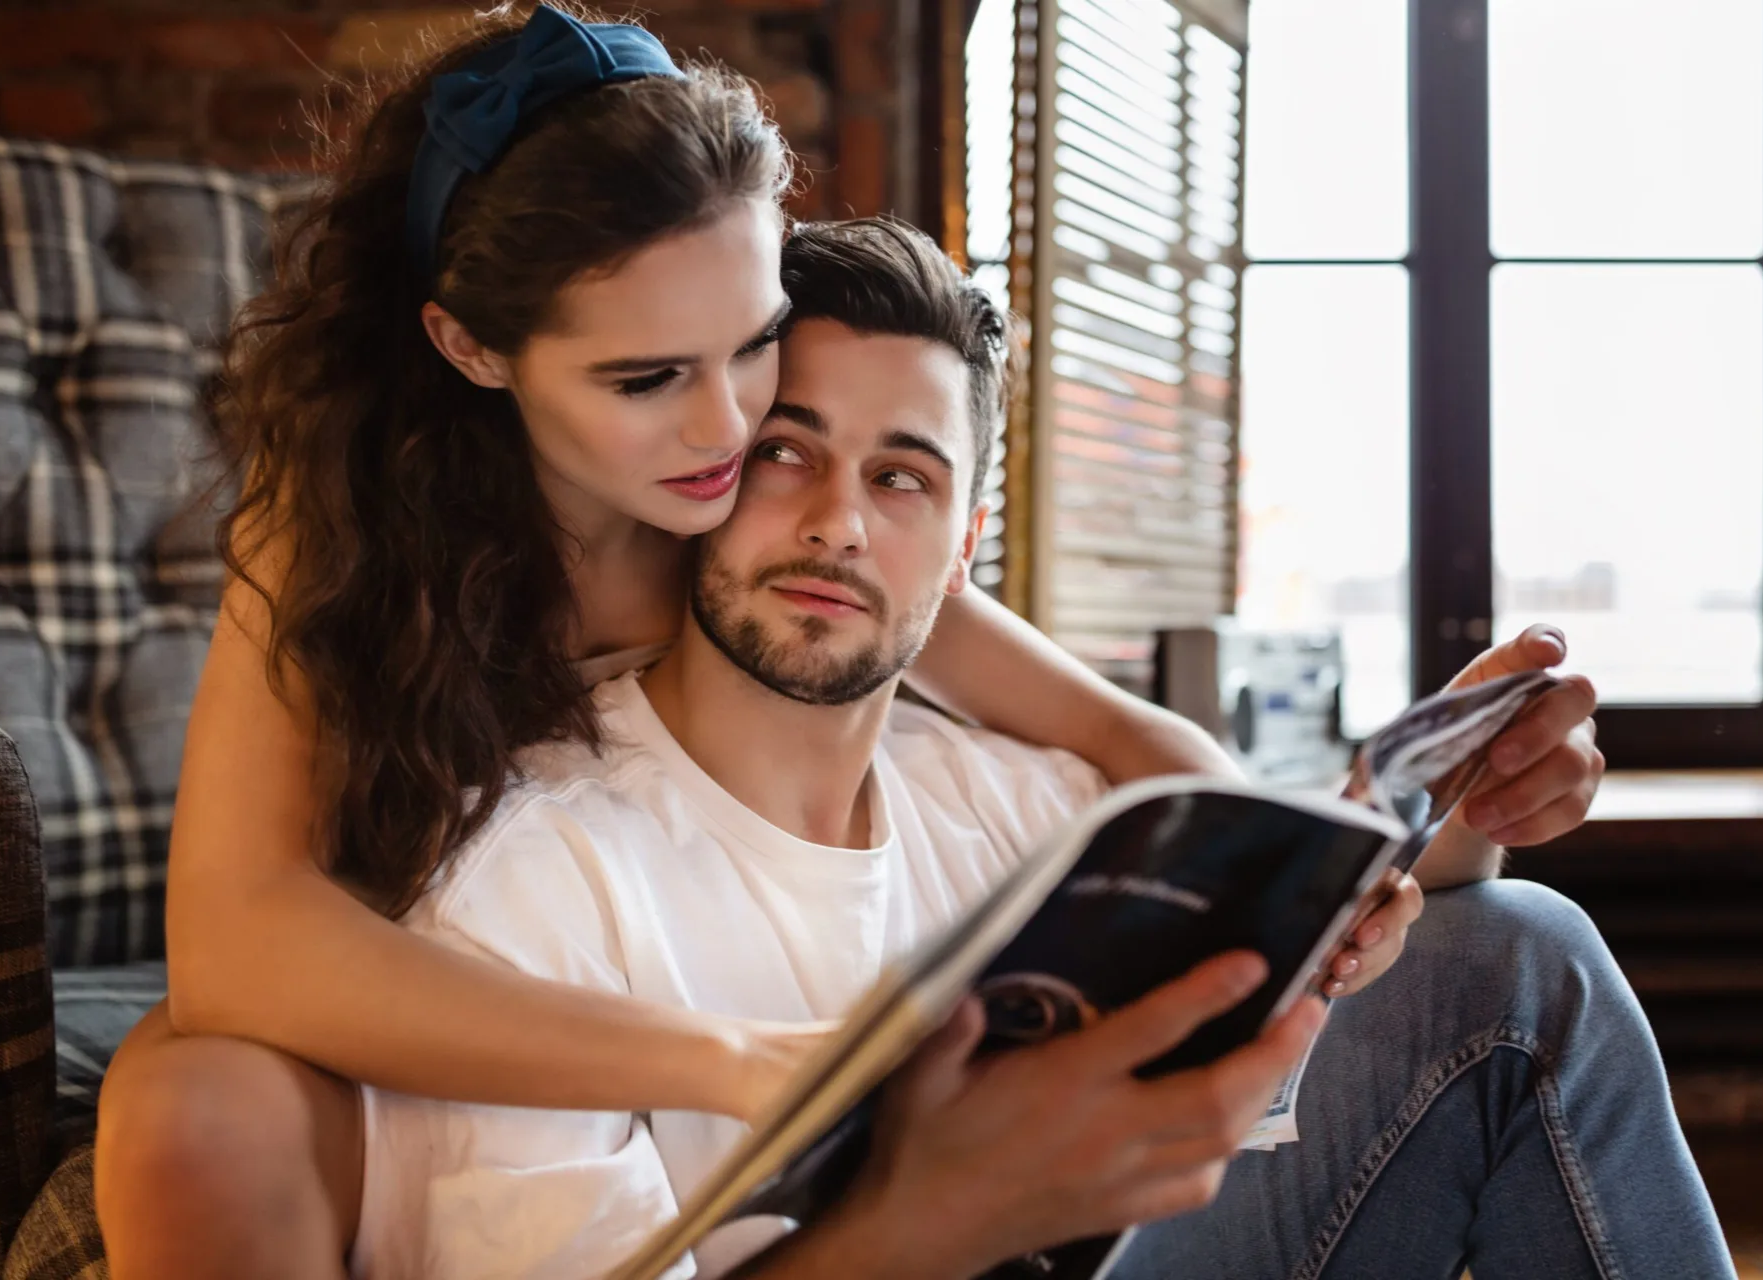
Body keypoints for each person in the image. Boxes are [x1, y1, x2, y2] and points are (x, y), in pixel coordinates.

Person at [91, 8, 1610, 1278]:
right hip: (392, 963)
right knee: (190, 1111)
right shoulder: (346, 521)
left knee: (1518, 950)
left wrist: (1342, 873)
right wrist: (733, 1060)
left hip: (670, 923)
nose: (725, 426)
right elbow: (241, 945)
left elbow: (1120, 737)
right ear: (472, 348)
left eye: (753, 343)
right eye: (648, 378)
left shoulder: (768, 513)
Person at [348, 216, 1730, 1280]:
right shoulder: (531, 877)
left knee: (1518, 953)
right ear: (702, 471)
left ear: (963, 549)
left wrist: (1468, 811)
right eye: (786, 452)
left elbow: (1296, 1053)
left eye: (901, 477)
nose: (838, 523)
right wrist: (930, 1222)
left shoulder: (1047, 815)